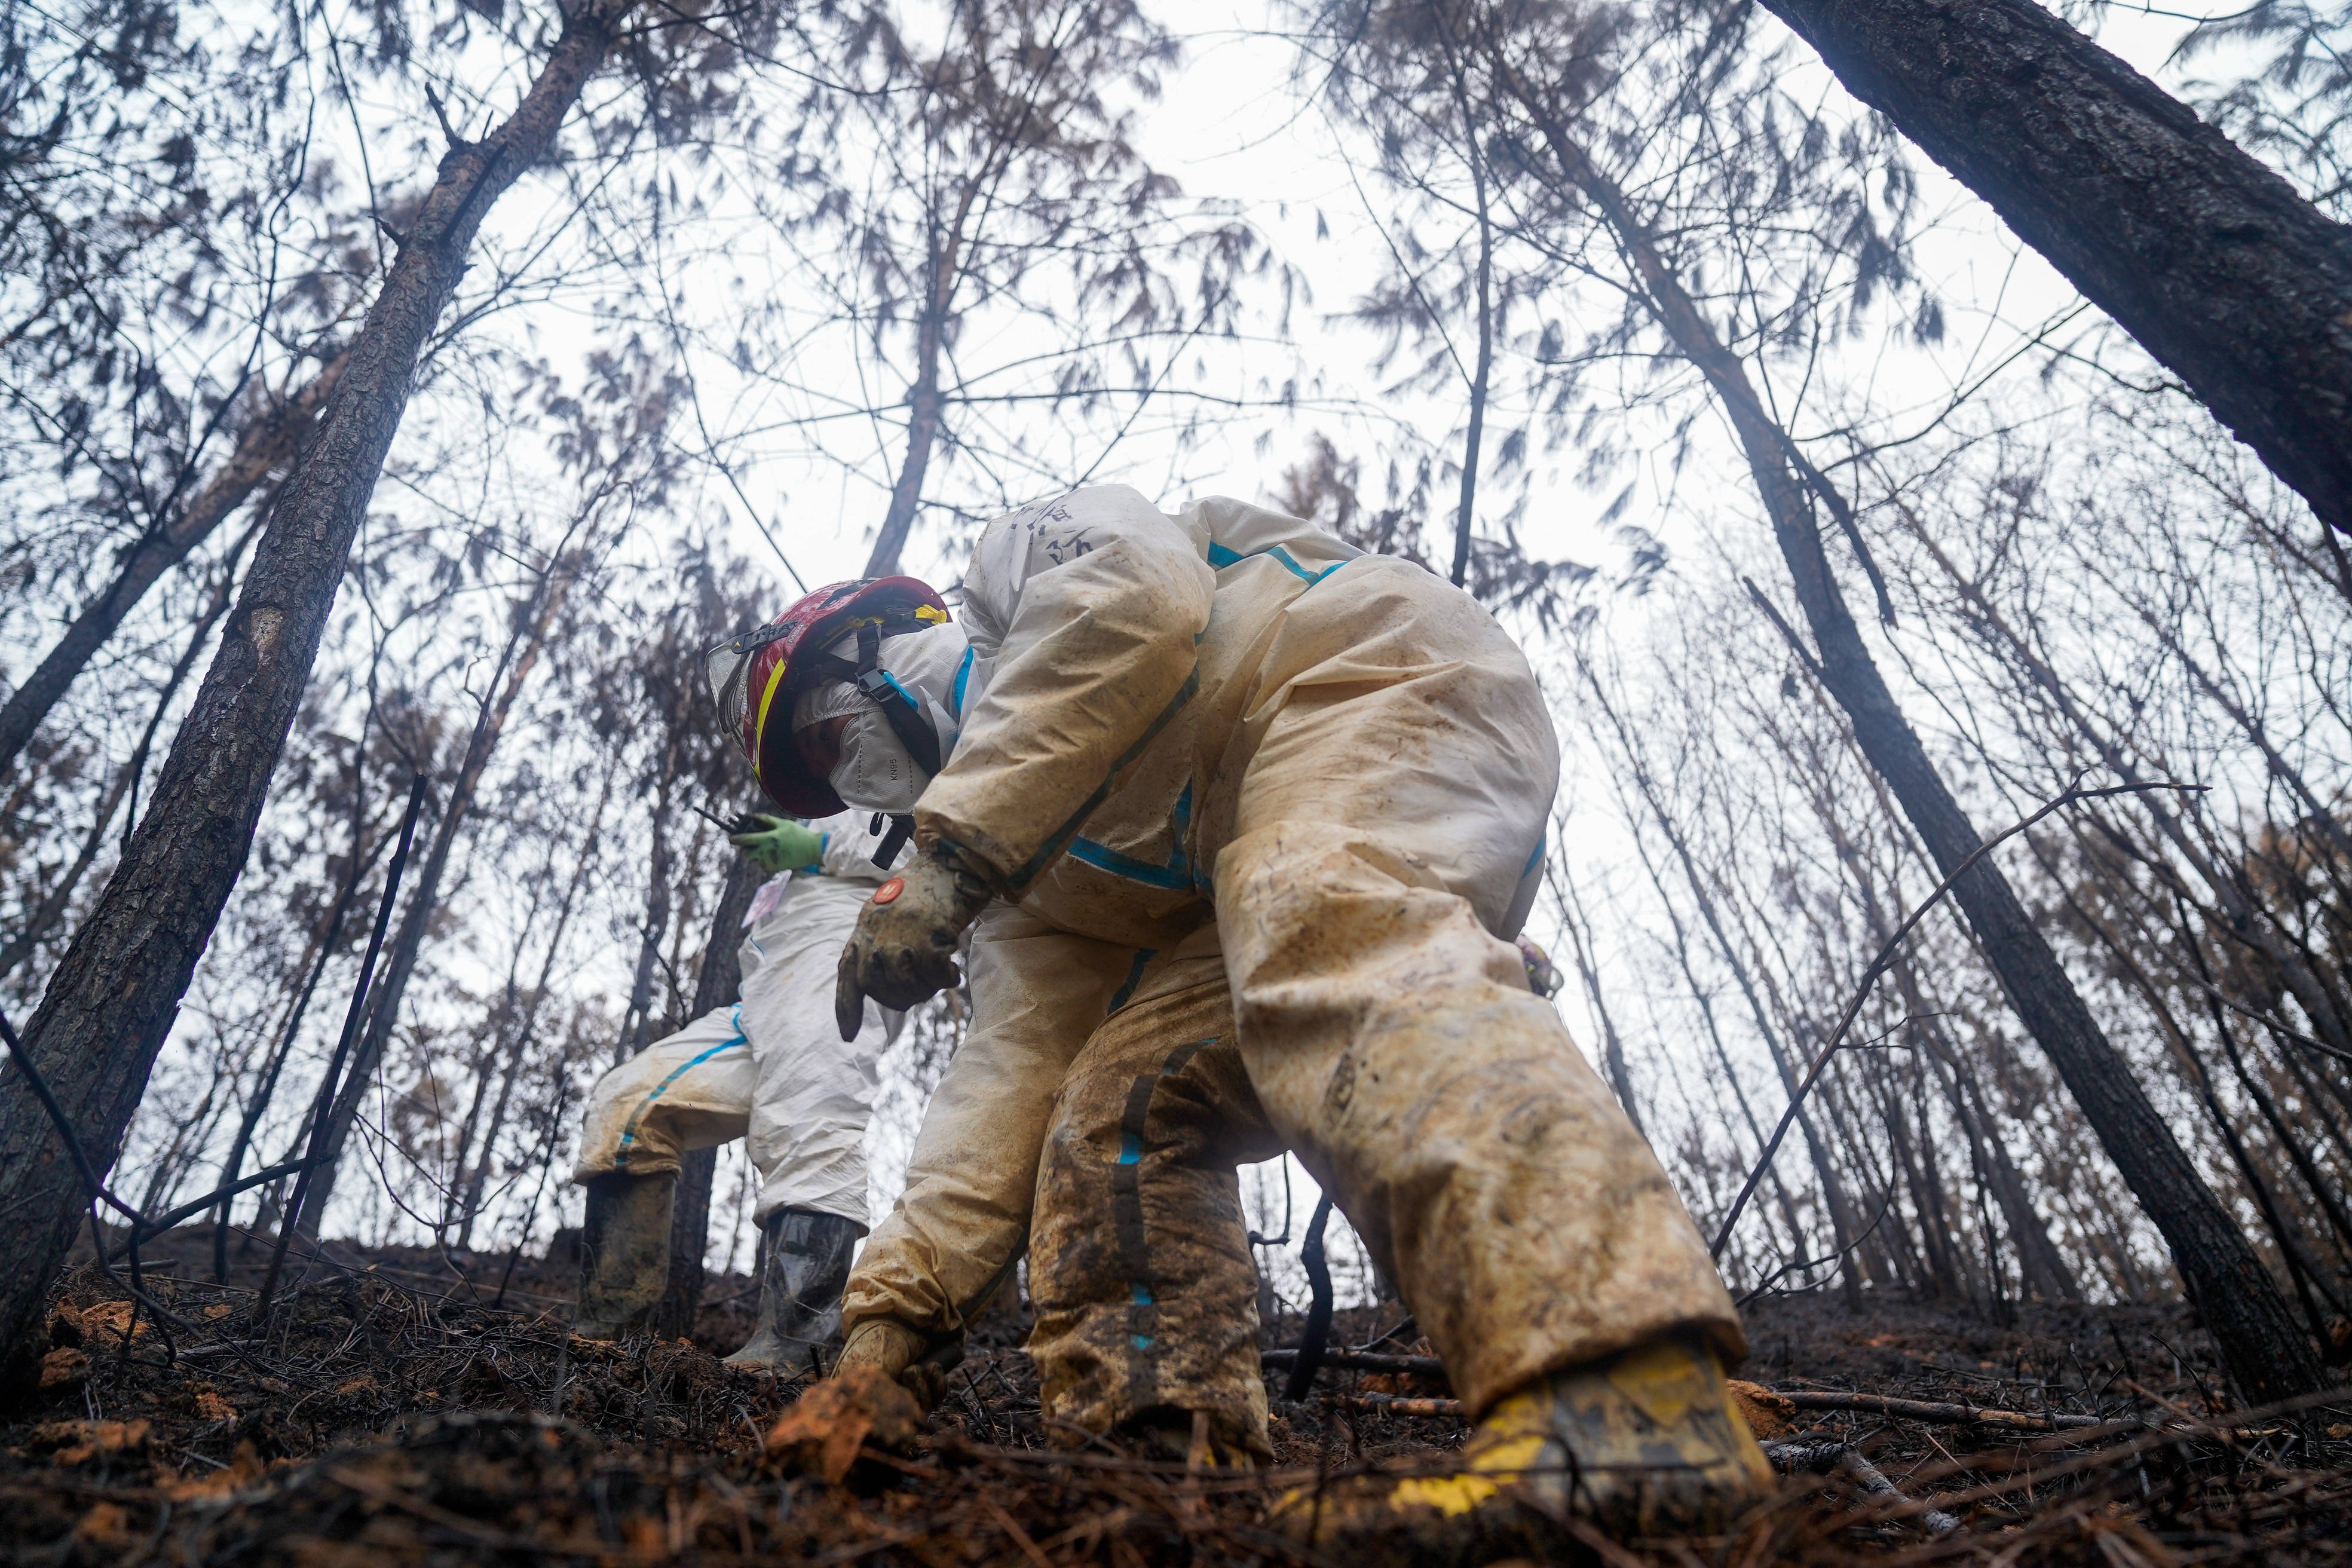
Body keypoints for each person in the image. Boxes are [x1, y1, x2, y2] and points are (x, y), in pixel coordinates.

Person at [708, 488, 1769, 1558]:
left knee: (1313, 910)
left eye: (832, 735)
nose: (855, 775)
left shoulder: (1018, 567)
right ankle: (1165, 1460)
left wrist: (950, 855)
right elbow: (1000, 1090)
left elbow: (1139, 596)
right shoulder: (1031, 891)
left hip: (1372, 682)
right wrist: (885, 1333)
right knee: (1112, 1109)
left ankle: (1627, 1398)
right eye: (833, 774)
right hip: (1245, 894)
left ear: (878, 645)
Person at [569, 808, 905, 1371]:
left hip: (839, 973)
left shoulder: (914, 766)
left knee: (810, 1124)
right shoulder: (839, 793)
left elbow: (954, 846)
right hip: (761, 1002)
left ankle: (793, 1352)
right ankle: (607, 1344)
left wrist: (815, 841)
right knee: (629, 1104)